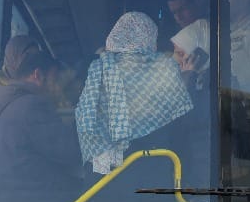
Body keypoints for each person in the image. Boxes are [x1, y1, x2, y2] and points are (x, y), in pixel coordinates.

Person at [75, 11, 192, 176]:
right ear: (149, 38)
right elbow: (181, 122)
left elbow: (85, 125)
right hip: (151, 174)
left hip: (102, 179)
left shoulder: (97, 72)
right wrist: (188, 77)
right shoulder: (163, 70)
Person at [0, 49, 84, 202]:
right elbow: (72, 152)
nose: (56, 87)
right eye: (54, 79)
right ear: (38, 75)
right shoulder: (32, 106)